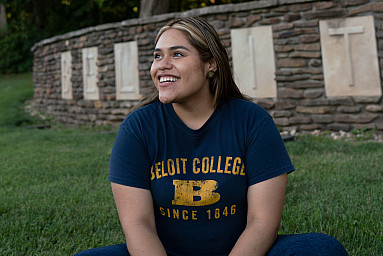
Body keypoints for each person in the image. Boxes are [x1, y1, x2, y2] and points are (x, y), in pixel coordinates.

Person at [75, 17, 348, 256]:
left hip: (241, 252)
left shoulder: (252, 121)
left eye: (178, 54)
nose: (162, 65)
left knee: (321, 248)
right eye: (158, 56)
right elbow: (138, 224)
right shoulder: (138, 128)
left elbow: (262, 222)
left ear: (211, 65)